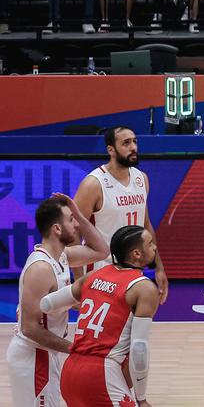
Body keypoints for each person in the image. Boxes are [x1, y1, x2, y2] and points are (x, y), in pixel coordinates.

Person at [6, 194, 108, 407]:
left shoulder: (62, 256)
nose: (76, 224)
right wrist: (74, 348)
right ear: (57, 229)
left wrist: (78, 211)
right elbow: (29, 328)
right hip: (33, 355)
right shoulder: (41, 268)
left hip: (45, 352)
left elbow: (101, 251)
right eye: (71, 219)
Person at [50, 226, 161, 407]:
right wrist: (141, 398)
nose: (155, 247)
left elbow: (48, 304)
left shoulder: (94, 275)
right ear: (136, 254)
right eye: (150, 244)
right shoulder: (144, 288)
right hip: (101, 373)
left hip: (70, 371)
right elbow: (139, 350)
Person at [71, 125, 170, 295]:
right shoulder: (93, 184)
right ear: (111, 149)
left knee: (134, 319)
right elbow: (73, 232)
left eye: (134, 142)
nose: (133, 147)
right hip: (100, 270)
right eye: (126, 143)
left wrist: (159, 268)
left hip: (132, 269)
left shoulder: (141, 178)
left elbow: (146, 224)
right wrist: (79, 282)